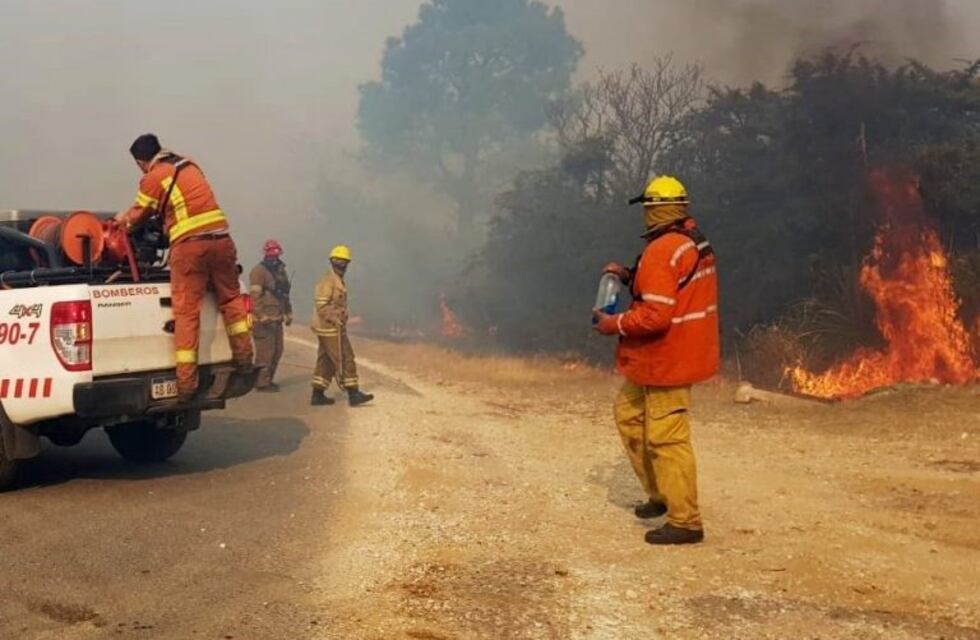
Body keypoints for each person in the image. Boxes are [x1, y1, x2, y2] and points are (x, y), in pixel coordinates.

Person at [593, 175, 720, 546]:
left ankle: (686, 521)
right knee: (628, 415)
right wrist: (629, 275)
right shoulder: (690, 240)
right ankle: (661, 494)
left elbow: (656, 316)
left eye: (648, 208)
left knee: (667, 438)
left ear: (653, 210)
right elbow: (669, 285)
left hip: (669, 358)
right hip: (665, 356)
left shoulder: (664, 249)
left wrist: (613, 324)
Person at [115, 134, 253, 401]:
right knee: (231, 299)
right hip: (222, 241)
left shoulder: (153, 177)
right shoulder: (189, 164)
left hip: (190, 248)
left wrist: (123, 221)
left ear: (141, 162)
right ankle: (245, 359)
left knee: (187, 312)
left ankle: (186, 385)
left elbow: (137, 216)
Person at [310, 245, 374, 407]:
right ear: (332, 261)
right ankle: (353, 393)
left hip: (330, 327)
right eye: (339, 261)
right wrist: (335, 318)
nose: (342, 265)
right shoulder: (327, 281)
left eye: (345, 262)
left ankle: (317, 394)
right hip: (330, 328)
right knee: (345, 357)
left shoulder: (336, 280)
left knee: (326, 361)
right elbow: (322, 306)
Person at [250, 239, 292, 392]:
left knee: (277, 351)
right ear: (266, 254)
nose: (274, 258)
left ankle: (268, 379)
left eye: (276, 255)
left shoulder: (281, 271)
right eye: (271, 255)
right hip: (263, 321)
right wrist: (261, 315)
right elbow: (254, 297)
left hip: (277, 319)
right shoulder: (258, 271)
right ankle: (261, 382)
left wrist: (288, 312)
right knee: (265, 353)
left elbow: (284, 295)